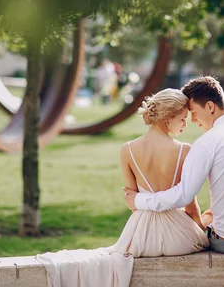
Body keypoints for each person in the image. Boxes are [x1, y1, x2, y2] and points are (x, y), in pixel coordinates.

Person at [35, 88, 208, 287]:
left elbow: (132, 202)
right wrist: (201, 229)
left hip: (140, 237)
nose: (185, 124)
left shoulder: (127, 149)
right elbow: (191, 206)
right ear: (167, 118)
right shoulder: (184, 150)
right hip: (179, 239)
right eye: (183, 118)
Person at [124, 76, 224, 254]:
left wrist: (139, 200)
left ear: (210, 107)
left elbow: (184, 195)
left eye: (194, 113)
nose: (192, 120)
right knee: (210, 216)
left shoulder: (207, 142)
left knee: (207, 220)